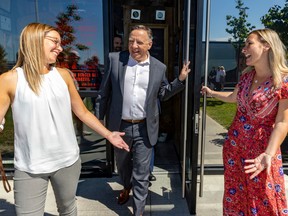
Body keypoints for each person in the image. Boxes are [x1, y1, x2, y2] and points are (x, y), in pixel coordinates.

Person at [0, 22, 129, 216]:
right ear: (34, 41)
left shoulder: (63, 75)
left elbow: (82, 112)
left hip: (67, 161)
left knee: (68, 210)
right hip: (30, 166)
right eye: (55, 42)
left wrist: (109, 135)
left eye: (60, 43)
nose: (60, 48)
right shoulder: (9, 79)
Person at [95, 25, 190, 216]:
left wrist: (179, 80)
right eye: (131, 41)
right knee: (122, 165)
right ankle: (125, 186)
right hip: (120, 127)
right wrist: (98, 123)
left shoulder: (158, 67)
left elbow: (163, 94)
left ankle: (138, 211)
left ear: (149, 44)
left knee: (142, 172)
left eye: (139, 42)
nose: (134, 45)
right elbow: (103, 94)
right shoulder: (115, 60)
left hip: (144, 128)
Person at [201, 28, 288, 215]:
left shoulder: (283, 81)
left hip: (261, 153)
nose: (244, 49)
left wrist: (269, 154)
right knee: (236, 197)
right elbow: (234, 97)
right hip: (234, 148)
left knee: (263, 198)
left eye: (249, 44)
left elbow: (282, 122)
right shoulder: (247, 76)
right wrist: (212, 93)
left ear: (266, 46)